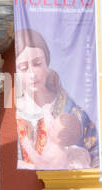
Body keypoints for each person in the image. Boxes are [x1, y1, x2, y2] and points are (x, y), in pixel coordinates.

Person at [15, 27, 99, 169]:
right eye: (23, 68)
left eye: (37, 64)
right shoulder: (13, 112)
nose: (32, 74)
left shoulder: (74, 112)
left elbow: (96, 155)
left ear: (47, 62)